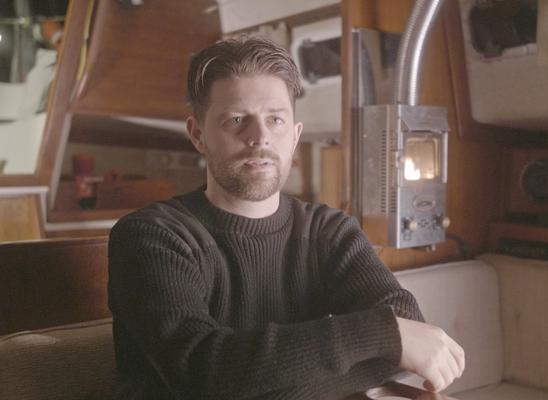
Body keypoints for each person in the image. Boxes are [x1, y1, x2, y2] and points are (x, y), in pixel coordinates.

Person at [108, 37, 464, 400]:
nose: (260, 137)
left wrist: (390, 338)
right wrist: (379, 336)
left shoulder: (330, 231)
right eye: (236, 120)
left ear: (294, 136)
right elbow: (201, 371)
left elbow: (403, 325)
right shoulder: (151, 236)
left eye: (275, 119)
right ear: (198, 134)